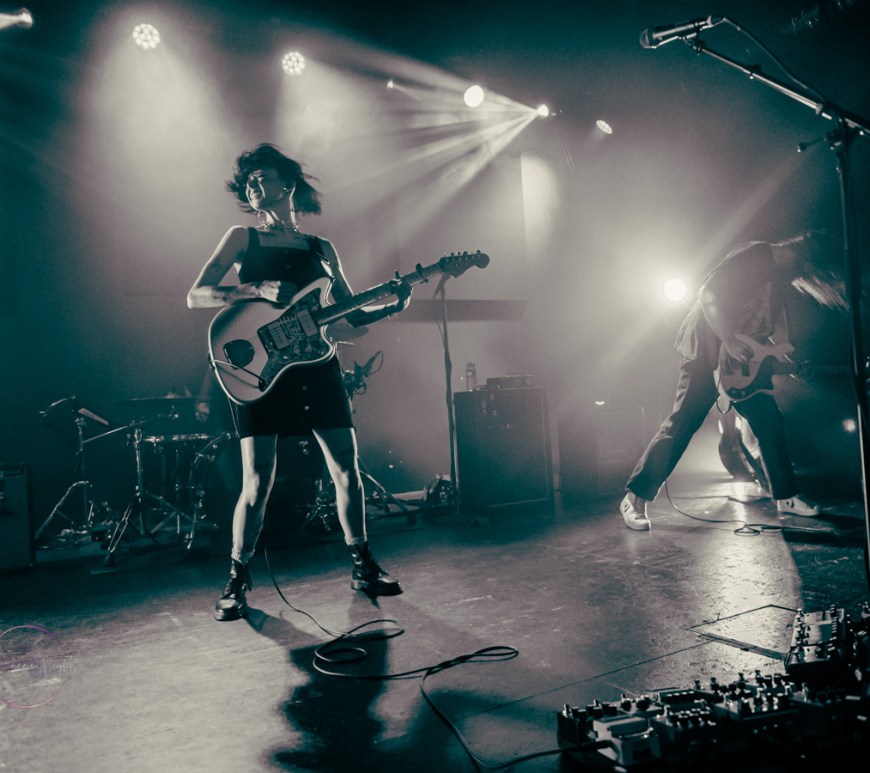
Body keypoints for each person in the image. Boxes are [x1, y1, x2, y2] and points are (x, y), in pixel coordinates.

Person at [187, 144, 412, 620]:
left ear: (287, 185)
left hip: (315, 367)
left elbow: (349, 320)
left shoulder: (321, 249)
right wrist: (256, 288)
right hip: (261, 370)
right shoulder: (242, 237)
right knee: (257, 478)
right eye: (248, 181)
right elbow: (197, 295)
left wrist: (390, 305)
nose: (252, 185)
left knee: (346, 468)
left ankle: (363, 565)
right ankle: (236, 579)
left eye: (261, 177)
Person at [620, 231, 845, 531]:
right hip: (706, 352)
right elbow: (707, 294)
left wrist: (783, 357)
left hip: (741, 365)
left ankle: (787, 496)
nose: (802, 277)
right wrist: (727, 338)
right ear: (796, 255)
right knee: (682, 424)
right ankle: (634, 498)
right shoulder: (755, 255)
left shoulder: (778, 279)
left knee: (769, 423)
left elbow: (766, 328)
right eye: (804, 270)